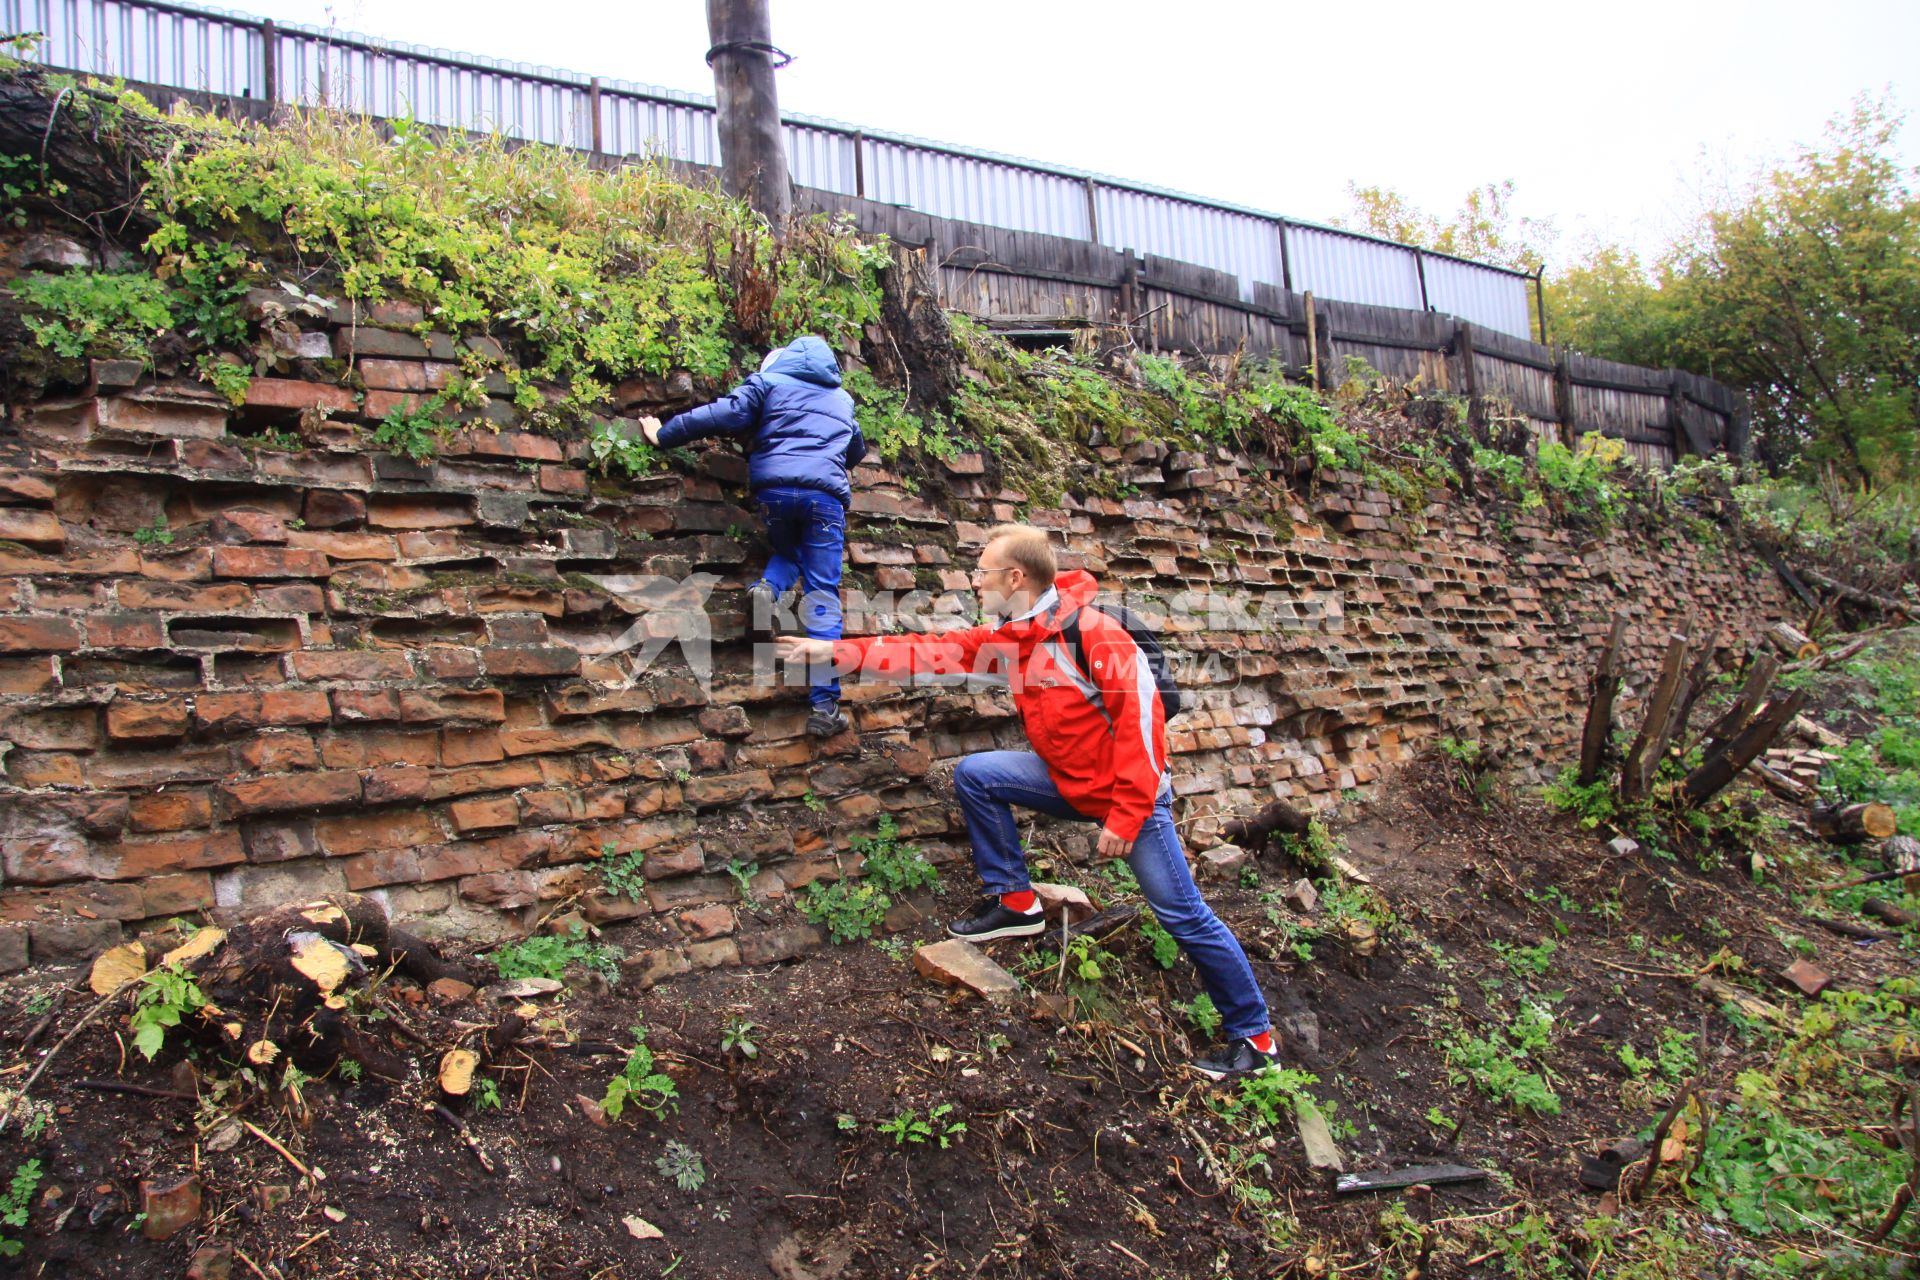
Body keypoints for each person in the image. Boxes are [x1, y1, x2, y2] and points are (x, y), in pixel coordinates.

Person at [774, 524, 1279, 1078]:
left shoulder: (1093, 633)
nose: (974, 582)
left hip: (1129, 799)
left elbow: (1143, 726)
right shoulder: (1014, 637)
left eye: (982, 573)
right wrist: (834, 652)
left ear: (1015, 578)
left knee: (1183, 914)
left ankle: (1255, 1040)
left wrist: (1128, 814)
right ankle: (1016, 903)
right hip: (1067, 779)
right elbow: (929, 651)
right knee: (978, 774)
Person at [643, 335, 866, 737]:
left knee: (790, 549)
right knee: (823, 595)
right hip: (825, 500)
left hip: (774, 490)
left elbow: (727, 413)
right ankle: (824, 706)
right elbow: (856, 451)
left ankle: (767, 587)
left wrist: (666, 433)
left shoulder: (768, 383)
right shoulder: (843, 400)